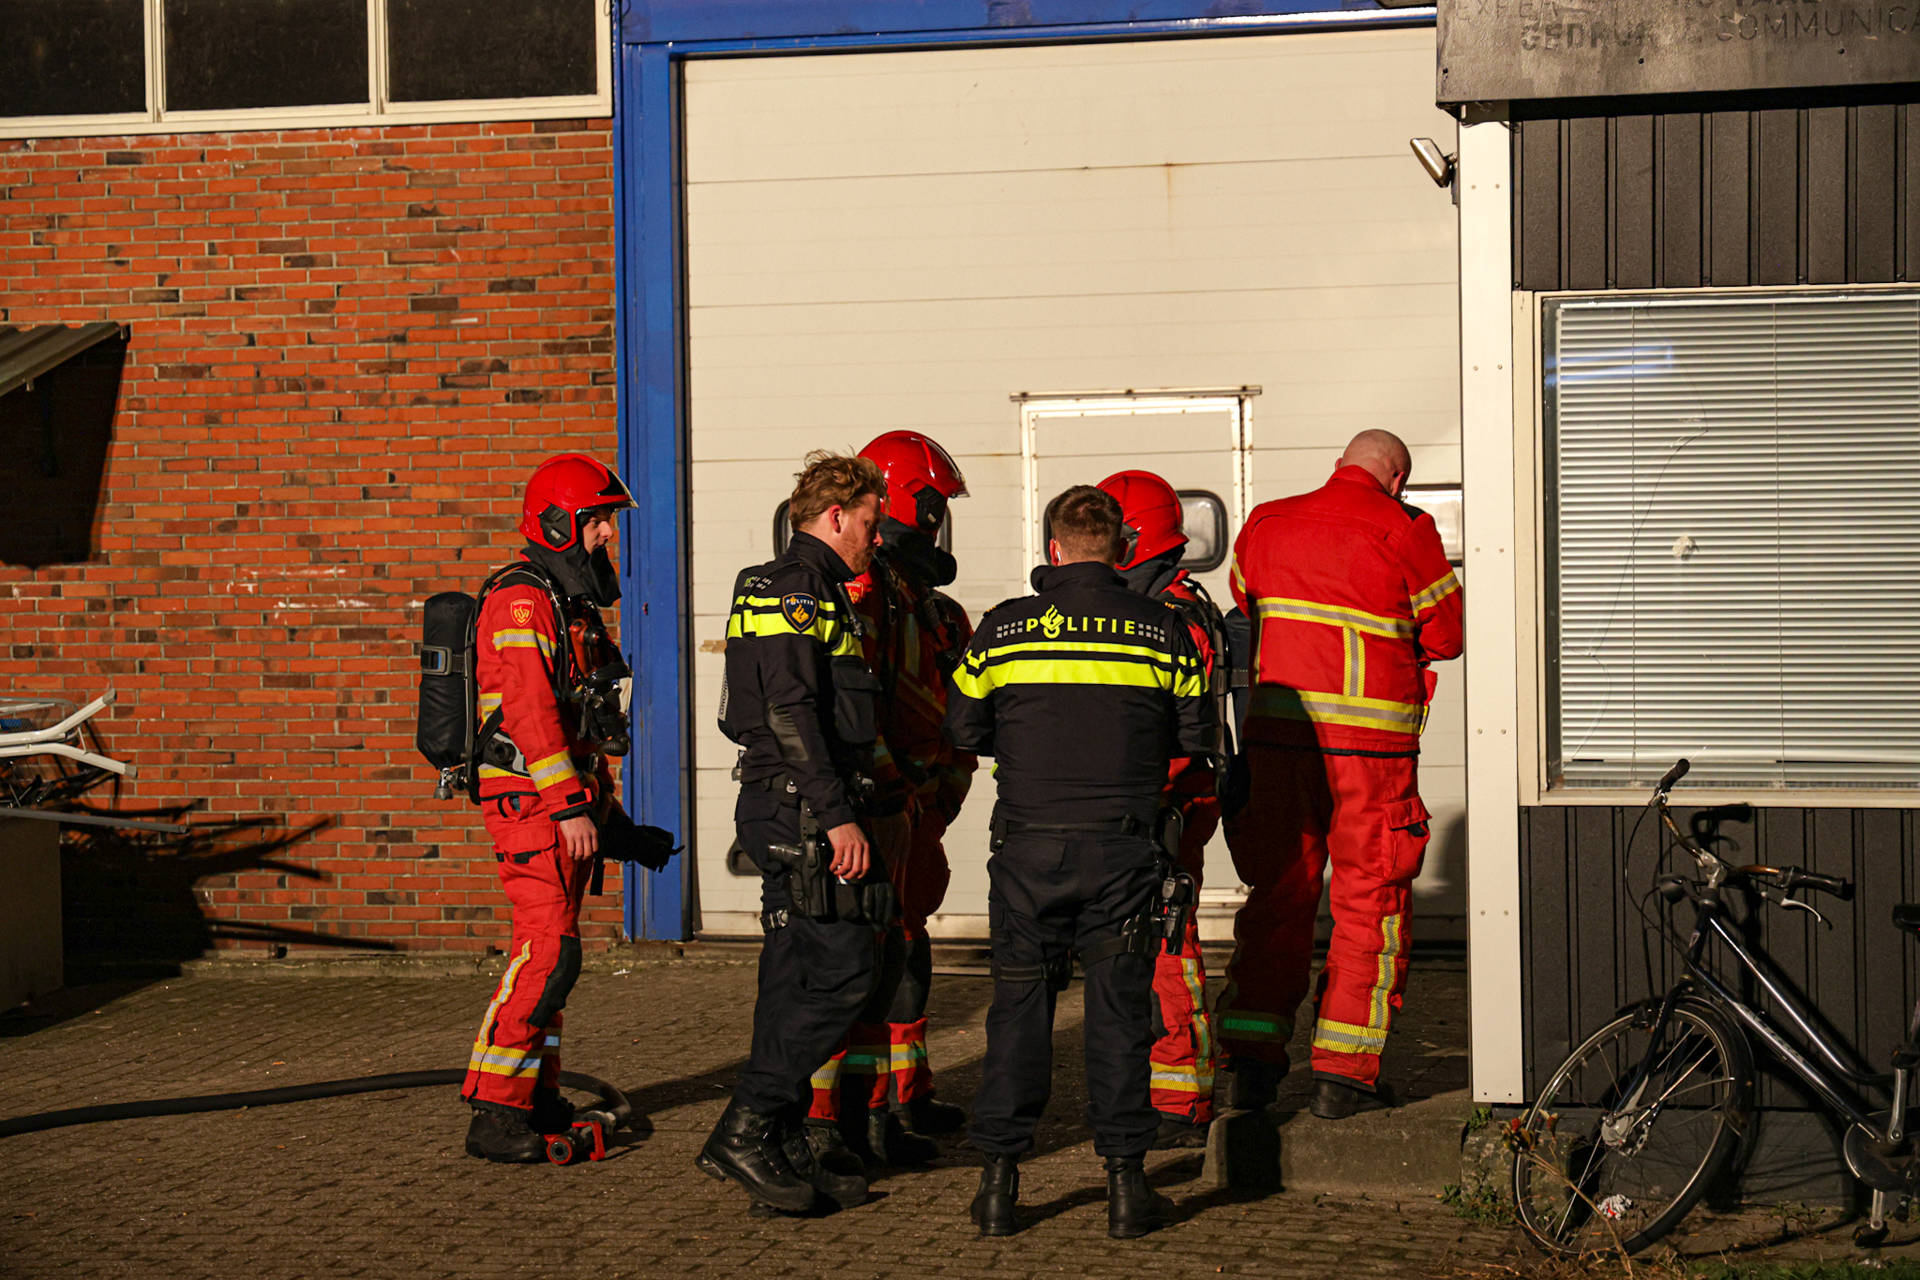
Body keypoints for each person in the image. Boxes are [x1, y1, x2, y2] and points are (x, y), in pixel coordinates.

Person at [944, 485, 1215, 1239]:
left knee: (1018, 1017)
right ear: (1122, 551)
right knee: (1120, 1019)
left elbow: (962, 725)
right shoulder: (1162, 632)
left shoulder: (1003, 630)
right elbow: (1194, 736)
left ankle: (998, 1188)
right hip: (1123, 849)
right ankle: (1127, 1190)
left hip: (1028, 849)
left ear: (1053, 550)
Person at [1215, 429, 1464, 1120]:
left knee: (1279, 898)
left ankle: (1251, 1067)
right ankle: (1343, 1076)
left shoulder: (1267, 521)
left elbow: (1245, 597)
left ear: (1339, 466)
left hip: (1278, 744)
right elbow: (1447, 634)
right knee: (1370, 905)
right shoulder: (1405, 530)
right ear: (1396, 481)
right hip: (1370, 757)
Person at [462, 452, 676, 1161]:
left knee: (558, 962)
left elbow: (580, 728)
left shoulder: (565, 604)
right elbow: (528, 713)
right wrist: (566, 808)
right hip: (531, 804)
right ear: (558, 524)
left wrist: (618, 830)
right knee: (547, 953)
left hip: (556, 803)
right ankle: (495, 1111)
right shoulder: (522, 601)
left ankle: (535, 1094)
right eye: (600, 521)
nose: (610, 535)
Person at [700, 450, 894, 1214]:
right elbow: (789, 712)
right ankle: (746, 1128)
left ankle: (773, 1142)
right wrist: (840, 814)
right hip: (803, 807)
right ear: (835, 515)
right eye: (871, 525)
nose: (875, 540)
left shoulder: (802, 588)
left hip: (788, 802)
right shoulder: (799, 591)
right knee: (846, 968)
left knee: (789, 977)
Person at [805, 431, 977, 1167]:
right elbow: (871, 710)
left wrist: (944, 787)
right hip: (876, 809)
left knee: (903, 958)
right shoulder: (864, 595)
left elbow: (953, 712)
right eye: (934, 509)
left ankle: (896, 1101)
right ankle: (831, 1119)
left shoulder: (925, 605)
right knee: (859, 965)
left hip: (914, 810)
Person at [1096, 469, 1230, 1149]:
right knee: (1142, 947)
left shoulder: (1174, 619)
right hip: (1158, 802)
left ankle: (1181, 1100)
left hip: (1164, 806)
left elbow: (1175, 731)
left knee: (1165, 948)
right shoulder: (1173, 608)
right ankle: (1161, 1086)